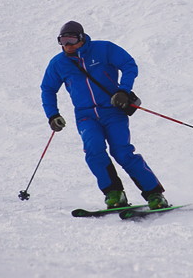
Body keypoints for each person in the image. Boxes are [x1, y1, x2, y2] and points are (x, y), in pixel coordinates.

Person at [40, 21, 168, 210]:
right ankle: (114, 194)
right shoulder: (59, 63)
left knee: (122, 152)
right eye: (62, 41)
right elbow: (48, 89)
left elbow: (129, 64)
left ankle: (154, 194)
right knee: (94, 151)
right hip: (85, 116)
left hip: (112, 110)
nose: (67, 45)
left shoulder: (104, 49)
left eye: (71, 40)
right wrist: (52, 115)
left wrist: (124, 91)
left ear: (82, 38)